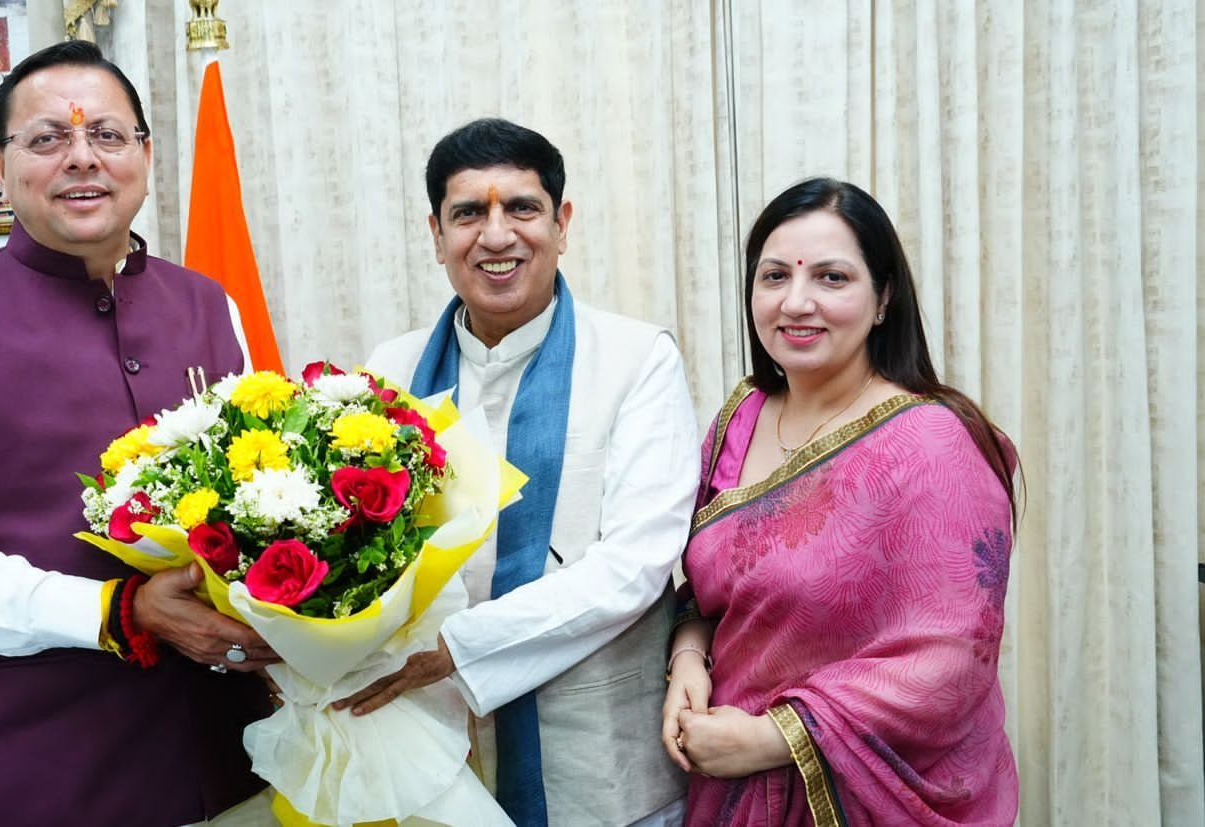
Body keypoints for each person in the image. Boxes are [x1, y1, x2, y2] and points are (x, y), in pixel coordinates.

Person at [0, 41, 277, 826]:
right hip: (41, 774)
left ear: (146, 156)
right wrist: (116, 611)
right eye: (48, 138)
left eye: (108, 135)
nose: (82, 157)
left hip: (233, 762)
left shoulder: (209, 305)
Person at [340, 118, 701, 826]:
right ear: (437, 234)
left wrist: (459, 646)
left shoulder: (637, 359)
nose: (496, 235)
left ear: (562, 224)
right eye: (468, 214)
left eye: (522, 208)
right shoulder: (389, 371)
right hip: (425, 750)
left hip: (597, 768)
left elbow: (636, 563)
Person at [661, 177, 1020, 825]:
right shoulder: (740, 418)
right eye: (775, 276)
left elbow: (952, 658)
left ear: (884, 298)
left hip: (855, 794)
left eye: (831, 278)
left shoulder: (932, 444)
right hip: (726, 779)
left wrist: (773, 737)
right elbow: (712, 590)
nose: (796, 302)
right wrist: (689, 657)